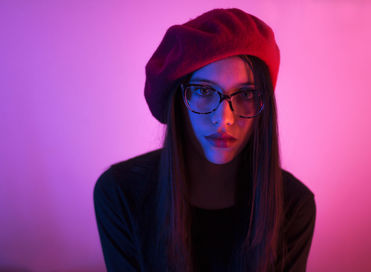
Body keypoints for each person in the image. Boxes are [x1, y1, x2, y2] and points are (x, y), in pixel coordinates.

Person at [93, 8, 316, 272]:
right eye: (203, 91)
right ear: (178, 100)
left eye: (245, 94)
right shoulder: (121, 194)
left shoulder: (293, 205)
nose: (224, 120)